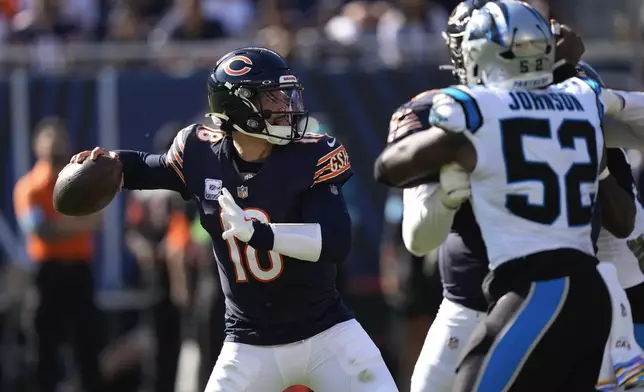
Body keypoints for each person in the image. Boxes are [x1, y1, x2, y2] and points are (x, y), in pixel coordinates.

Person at [69, 47, 398, 392]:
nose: (287, 107)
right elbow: (150, 168)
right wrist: (109, 162)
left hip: (327, 334)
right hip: (248, 344)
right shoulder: (199, 152)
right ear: (239, 106)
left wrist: (260, 234)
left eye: (286, 95)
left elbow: (335, 240)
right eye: (272, 97)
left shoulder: (311, 154)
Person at [374, 1, 631, 389]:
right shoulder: (580, 95)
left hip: (532, 288)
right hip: (494, 300)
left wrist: (450, 166)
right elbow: (418, 237)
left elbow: (388, 169)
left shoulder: (469, 107)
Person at [13, 117, 103, 392]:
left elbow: (96, 221)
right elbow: (40, 231)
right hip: (47, 272)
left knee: (87, 345)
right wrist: (76, 223)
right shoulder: (29, 186)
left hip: (79, 270)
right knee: (43, 347)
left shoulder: (82, 181)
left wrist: (60, 225)